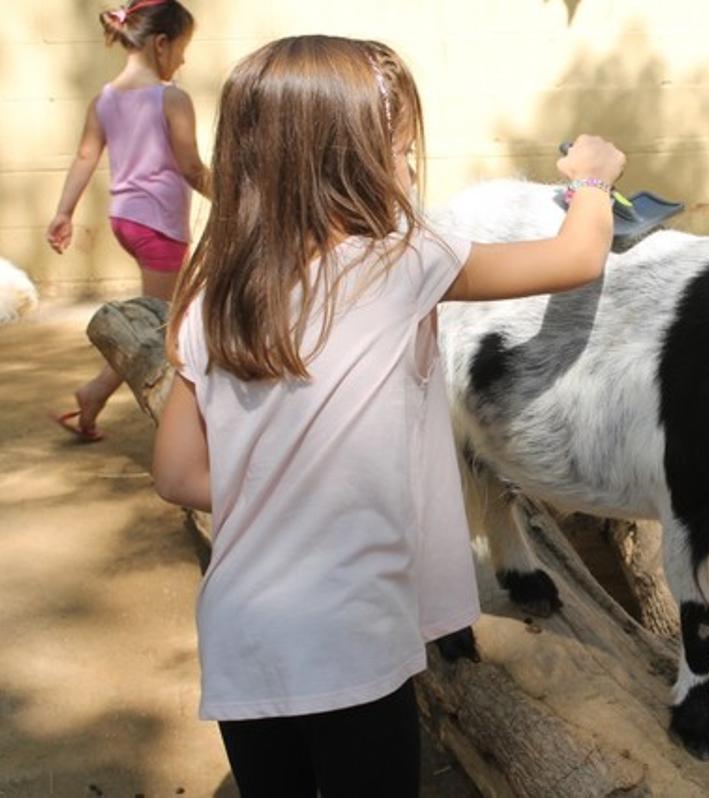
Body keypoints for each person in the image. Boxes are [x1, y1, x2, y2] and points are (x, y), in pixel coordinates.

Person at [151, 35, 624, 795]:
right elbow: (576, 259)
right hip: (349, 635)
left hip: (241, 632)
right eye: (400, 150)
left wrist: (276, 488)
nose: (409, 169)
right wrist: (594, 181)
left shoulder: (210, 303)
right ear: (347, 164)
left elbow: (176, 475)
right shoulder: (400, 263)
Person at [47, 0, 208, 441]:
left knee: (168, 317)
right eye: (181, 49)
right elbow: (192, 167)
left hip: (125, 221)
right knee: (162, 326)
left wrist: (64, 212)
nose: (183, 59)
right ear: (161, 44)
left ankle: (95, 394)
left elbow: (84, 156)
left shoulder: (105, 99)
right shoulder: (172, 98)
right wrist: (232, 196)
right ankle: (98, 393)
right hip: (159, 227)